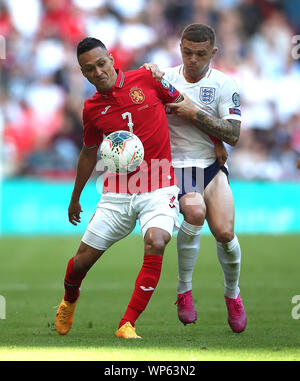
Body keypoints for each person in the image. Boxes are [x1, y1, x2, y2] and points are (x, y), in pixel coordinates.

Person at [55, 37, 185, 339]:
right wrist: (75, 198)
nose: (98, 72)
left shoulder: (147, 79)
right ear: (83, 73)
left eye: (101, 63)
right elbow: (88, 153)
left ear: (111, 59)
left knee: (156, 241)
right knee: (81, 263)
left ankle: (127, 324)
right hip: (116, 192)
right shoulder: (91, 109)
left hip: (159, 186)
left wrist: (215, 141)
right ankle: (68, 300)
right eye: (89, 69)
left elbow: (181, 103)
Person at [144, 23, 247, 333]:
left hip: (211, 166)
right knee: (194, 211)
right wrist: (145, 70)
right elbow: (134, 92)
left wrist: (195, 115)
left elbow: (234, 134)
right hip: (179, 167)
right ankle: (184, 290)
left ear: (212, 52)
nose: (192, 59)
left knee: (225, 233)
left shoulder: (225, 85)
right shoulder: (165, 79)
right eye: (187, 52)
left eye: (200, 54)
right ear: (180, 49)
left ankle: (233, 294)